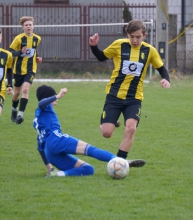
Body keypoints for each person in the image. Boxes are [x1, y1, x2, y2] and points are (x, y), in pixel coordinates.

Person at [89, 19, 170, 160]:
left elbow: (162, 68)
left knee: (131, 128)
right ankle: (113, 121)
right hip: (114, 95)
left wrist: (166, 79)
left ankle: (120, 162)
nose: (134, 40)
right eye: (131, 36)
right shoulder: (119, 45)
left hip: (134, 98)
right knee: (106, 133)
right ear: (127, 35)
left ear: (144, 35)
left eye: (138, 37)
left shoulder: (149, 51)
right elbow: (102, 57)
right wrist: (94, 46)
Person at [33, 84, 145, 177]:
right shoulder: (45, 107)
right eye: (53, 97)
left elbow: (40, 148)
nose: (56, 100)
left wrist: (50, 169)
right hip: (57, 139)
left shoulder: (37, 119)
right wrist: (58, 95)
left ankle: (58, 175)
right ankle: (119, 161)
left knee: (88, 169)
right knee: (91, 150)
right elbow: (41, 103)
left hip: (49, 152)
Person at [9, 16, 42, 124]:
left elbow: (34, 51)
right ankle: (14, 110)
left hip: (31, 69)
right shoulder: (19, 38)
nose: (28, 26)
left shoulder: (37, 39)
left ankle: (20, 115)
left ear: (33, 26)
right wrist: (20, 52)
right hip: (18, 69)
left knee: (25, 90)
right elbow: (10, 52)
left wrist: (37, 58)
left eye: (30, 25)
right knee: (17, 92)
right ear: (23, 27)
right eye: (26, 25)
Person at [0, 29, 13, 116]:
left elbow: (9, 69)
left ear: (1, 38)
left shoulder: (7, 54)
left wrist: (10, 85)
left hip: (1, 89)